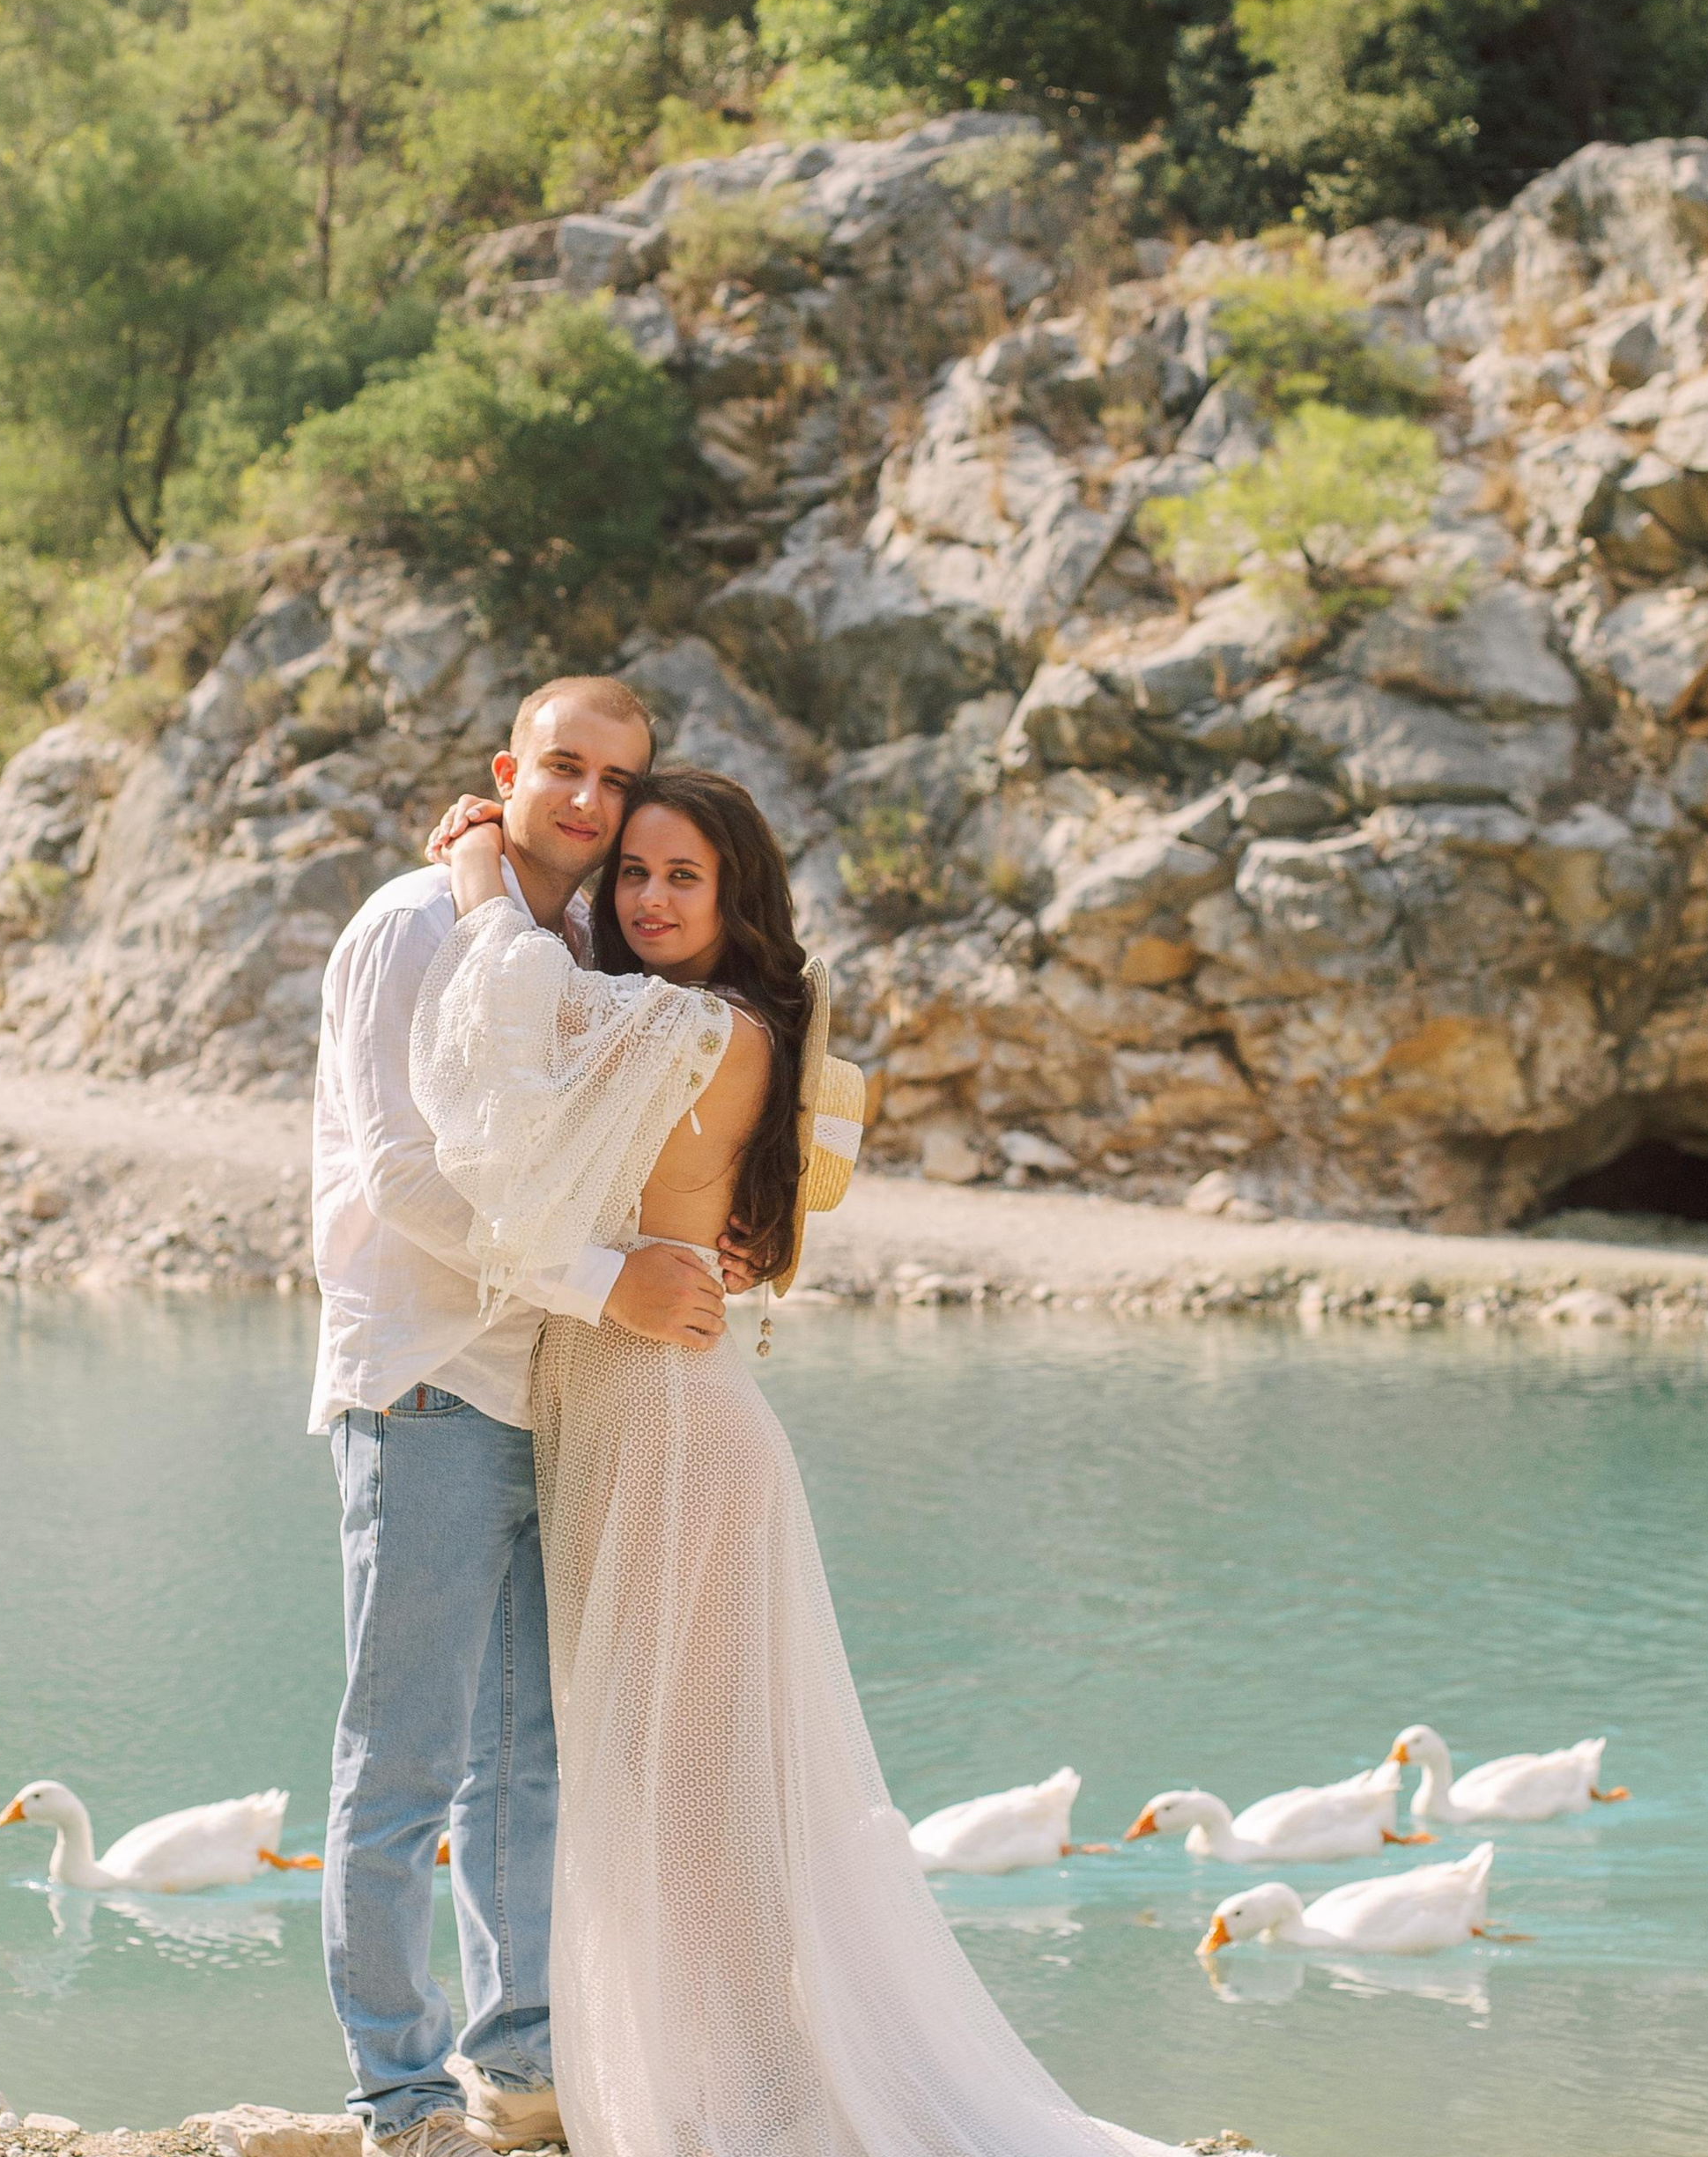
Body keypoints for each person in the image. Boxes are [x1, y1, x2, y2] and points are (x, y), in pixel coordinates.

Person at [415, 767, 1177, 2157]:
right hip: (632, 1411)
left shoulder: (698, 1027)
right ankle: (740, 2084)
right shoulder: (682, 1016)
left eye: (680, 878)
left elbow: (503, 1054)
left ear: (733, 898)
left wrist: (481, 882)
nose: (646, 898)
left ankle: (776, 2104)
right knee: (661, 1783)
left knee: (700, 1802)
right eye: (630, 873)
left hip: (671, 1429)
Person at [308, 677, 743, 2157]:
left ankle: (523, 2062)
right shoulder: (410, 928)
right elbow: (407, 1180)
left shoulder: (570, 947)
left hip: (554, 1394)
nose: (590, 801)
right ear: (510, 770)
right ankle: (402, 2097)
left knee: (528, 1758)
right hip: (428, 1381)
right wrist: (611, 1281)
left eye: (617, 781)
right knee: (404, 1760)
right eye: (565, 768)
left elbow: (619, 1142)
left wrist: (704, 1240)